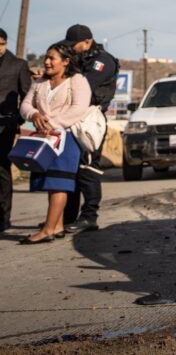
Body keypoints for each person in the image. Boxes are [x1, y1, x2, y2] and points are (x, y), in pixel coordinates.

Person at [18, 43, 91, 243]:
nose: (47, 62)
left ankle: (48, 229)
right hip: (44, 139)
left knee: (59, 183)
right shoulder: (40, 82)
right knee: (50, 183)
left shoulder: (77, 80)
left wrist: (52, 124)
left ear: (66, 62)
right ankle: (57, 226)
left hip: (66, 138)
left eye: (52, 58)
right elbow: (25, 104)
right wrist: (33, 115)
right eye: (46, 58)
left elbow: (78, 108)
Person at [61, 24, 118, 233]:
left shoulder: (103, 61)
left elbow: (84, 86)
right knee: (71, 169)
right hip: (73, 117)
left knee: (88, 168)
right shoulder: (78, 60)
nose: (71, 49)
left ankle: (89, 217)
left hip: (90, 118)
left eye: (74, 45)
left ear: (87, 42)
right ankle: (67, 217)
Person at [0, 28, 33, 233]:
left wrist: (17, 119)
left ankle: (3, 217)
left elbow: (27, 96)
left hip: (5, 125)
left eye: (1, 43)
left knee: (2, 170)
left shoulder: (18, 64)